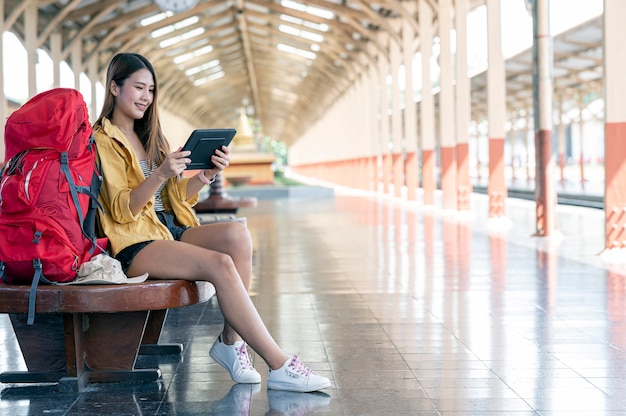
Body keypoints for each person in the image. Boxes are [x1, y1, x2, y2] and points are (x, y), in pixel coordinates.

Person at [92, 52, 330, 393]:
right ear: (115, 88)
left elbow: (175, 198)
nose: (146, 97)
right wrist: (159, 174)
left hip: (167, 230)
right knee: (219, 263)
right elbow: (121, 209)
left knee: (237, 234)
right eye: (138, 88)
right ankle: (279, 364)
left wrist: (204, 175)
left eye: (151, 90)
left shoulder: (152, 137)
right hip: (134, 243)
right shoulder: (104, 140)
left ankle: (231, 344)